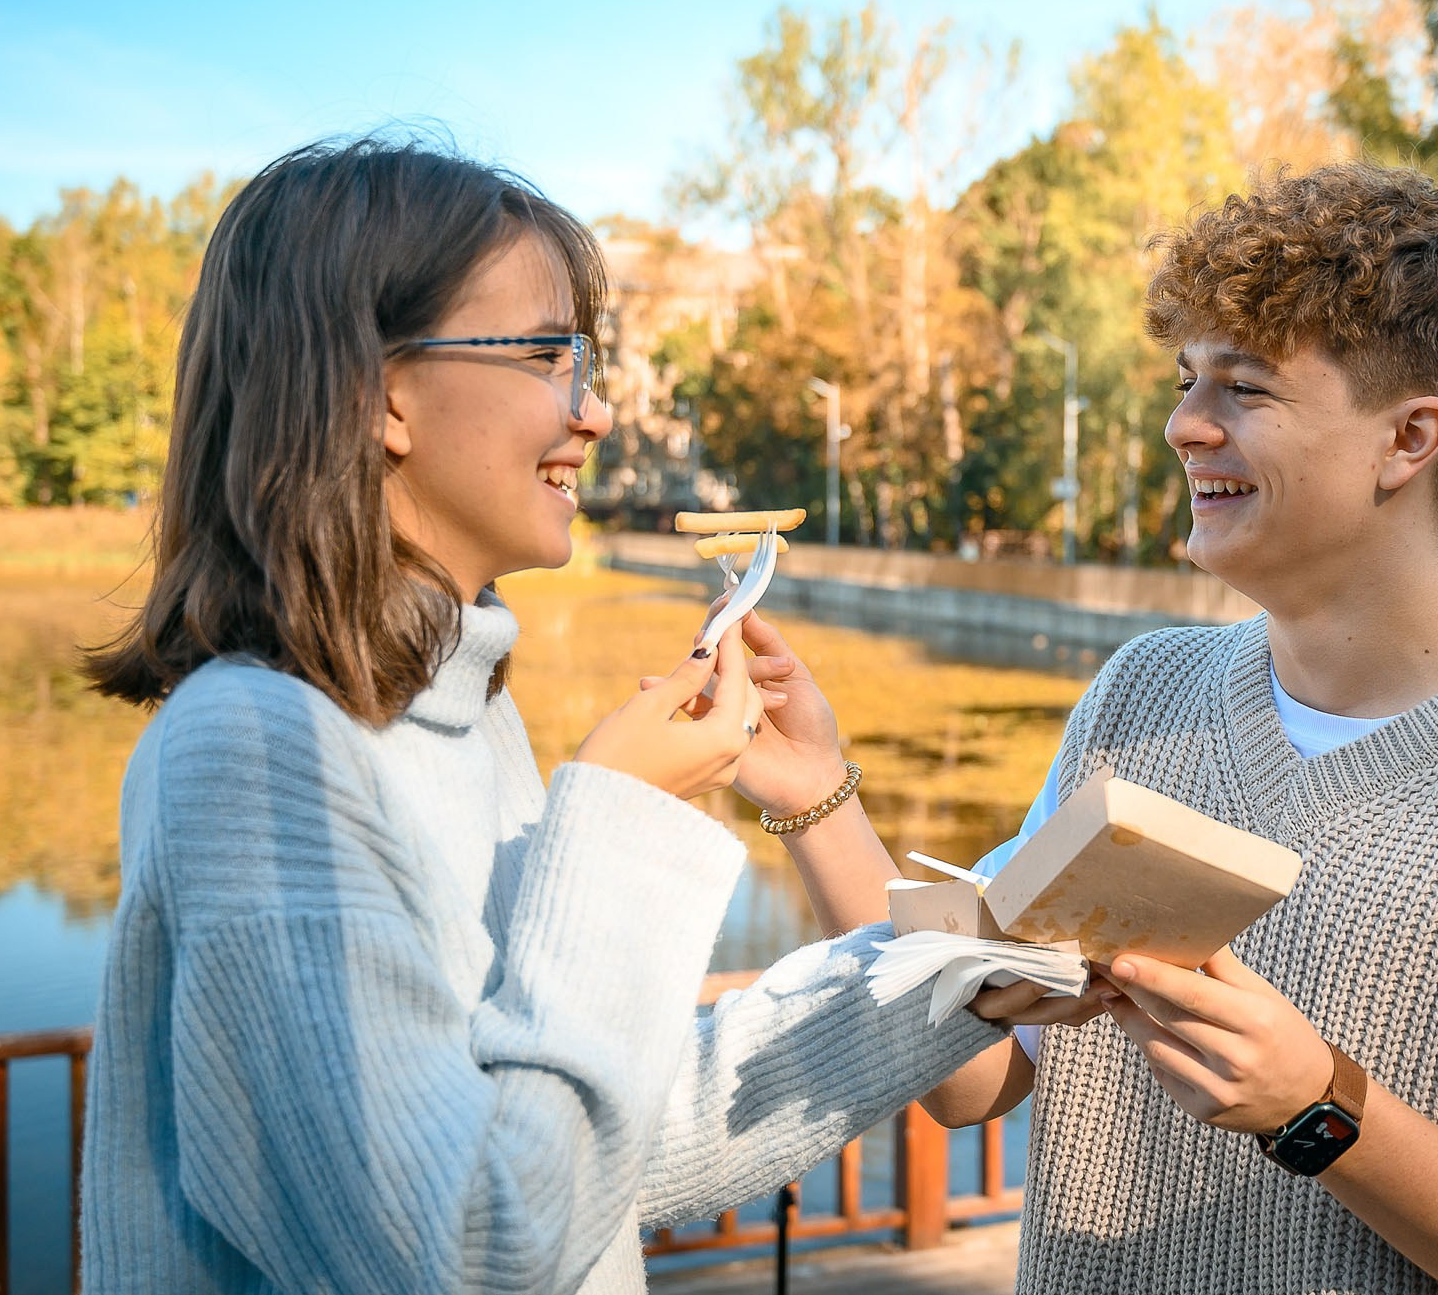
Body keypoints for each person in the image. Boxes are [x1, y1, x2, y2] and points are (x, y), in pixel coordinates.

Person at [739, 163, 1438, 1294]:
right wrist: (815, 795)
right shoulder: (1140, 695)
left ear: (1408, 439)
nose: (1183, 425)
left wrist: (1319, 1105)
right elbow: (972, 1081)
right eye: (1187, 378)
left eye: (1244, 389)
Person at [77, 138, 1002, 1295]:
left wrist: (962, 978)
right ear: (379, 395)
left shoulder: (455, 711)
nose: (597, 410)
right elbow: (468, 1251)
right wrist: (616, 818)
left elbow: (588, 1144)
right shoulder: (254, 751)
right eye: (547, 355)